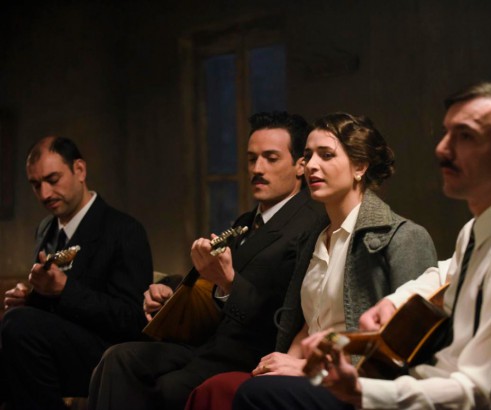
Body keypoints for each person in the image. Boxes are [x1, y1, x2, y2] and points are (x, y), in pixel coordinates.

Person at [232, 82, 491, 410]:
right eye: (446, 133)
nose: (442, 148)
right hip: (426, 386)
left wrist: (361, 391)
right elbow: (444, 273)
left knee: (255, 396)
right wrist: (394, 302)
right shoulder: (479, 230)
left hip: (441, 397)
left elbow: (483, 394)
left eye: (465, 136)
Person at [183, 112, 437, 410]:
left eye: (326, 155)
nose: (311, 165)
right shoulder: (313, 238)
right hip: (311, 374)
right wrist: (284, 362)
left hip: (361, 385)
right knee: (213, 390)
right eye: (308, 155)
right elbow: (308, 323)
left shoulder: (404, 237)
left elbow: (408, 347)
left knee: (252, 393)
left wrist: (306, 369)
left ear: (359, 166)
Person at [87, 111, 325, 410]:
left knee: (165, 387)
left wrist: (229, 282)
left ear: (300, 165)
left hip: (251, 351)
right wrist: (172, 295)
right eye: (252, 159)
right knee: (118, 358)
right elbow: (209, 285)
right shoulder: (246, 221)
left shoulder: (309, 224)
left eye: (271, 158)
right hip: (209, 342)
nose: (257, 169)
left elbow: (284, 316)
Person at [0, 136, 153, 410]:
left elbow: (133, 319)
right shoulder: (46, 229)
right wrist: (30, 299)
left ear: (79, 170)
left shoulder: (124, 230)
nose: (45, 194)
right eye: (36, 185)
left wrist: (64, 290)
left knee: (17, 327)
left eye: (53, 179)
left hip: (107, 353)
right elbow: (51, 310)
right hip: (53, 348)